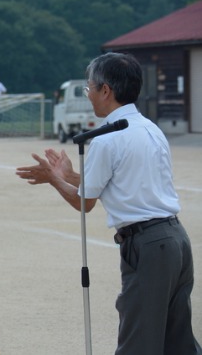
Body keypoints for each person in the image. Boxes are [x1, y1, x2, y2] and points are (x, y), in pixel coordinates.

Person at [15, 52, 201, 355]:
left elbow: (84, 203)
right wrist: (68, 174)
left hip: (148, 245)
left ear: (106, 90)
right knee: (177, 341)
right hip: (175, 239)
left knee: (138, 342)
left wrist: (52, 178)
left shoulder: (106, 139)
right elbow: (114, 184)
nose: (88, 96)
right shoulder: (150, 129)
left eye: (89, 88)